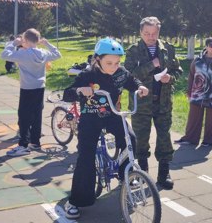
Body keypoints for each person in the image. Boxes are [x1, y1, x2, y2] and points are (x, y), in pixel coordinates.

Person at [62, 37, 148, 219]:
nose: (114, 66)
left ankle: (127, 176)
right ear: (97, 59)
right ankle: (76, 200)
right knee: (86, 155)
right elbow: (67, 93)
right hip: (91, 119)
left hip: (113, 116)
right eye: (109, 62)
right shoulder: (87, 75)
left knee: (130, 139)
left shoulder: (120, 73)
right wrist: (79, 91)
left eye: (117, 62)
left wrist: (140, 87)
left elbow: (132, 80)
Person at [124, 16, 183, 190]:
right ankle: (142, 173)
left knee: (164, 138)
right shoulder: (133, 51)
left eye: (154, 33)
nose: (150, 37)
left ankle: (164, 173)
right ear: (140, 32)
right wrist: (152, 64)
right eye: (146, 33)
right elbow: (128, 75)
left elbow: (178, 71)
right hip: (141, 104)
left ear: (159, 32)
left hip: (163, 103)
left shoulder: (168, 49)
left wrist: (169, 78)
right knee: (141, 140)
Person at [1, 28, 61, 156]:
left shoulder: (23, 54)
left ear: (26, 40)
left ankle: (23, 145)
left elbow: (4, 55)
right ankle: (35, 142)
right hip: (40, 87)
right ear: (38, 40)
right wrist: (47, 44)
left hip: (27, 88)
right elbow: (57, 54)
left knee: (24, 116)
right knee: (36, 115)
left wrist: (14, 44)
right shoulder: (43, 52)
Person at [175, 37, 212, 147]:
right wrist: (189, 91)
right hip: (197, 94)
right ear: (206, 46)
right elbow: (191, 76)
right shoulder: (197, 60)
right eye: (211, 45)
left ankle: (209, 141)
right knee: (193, 118)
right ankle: (190, 139)